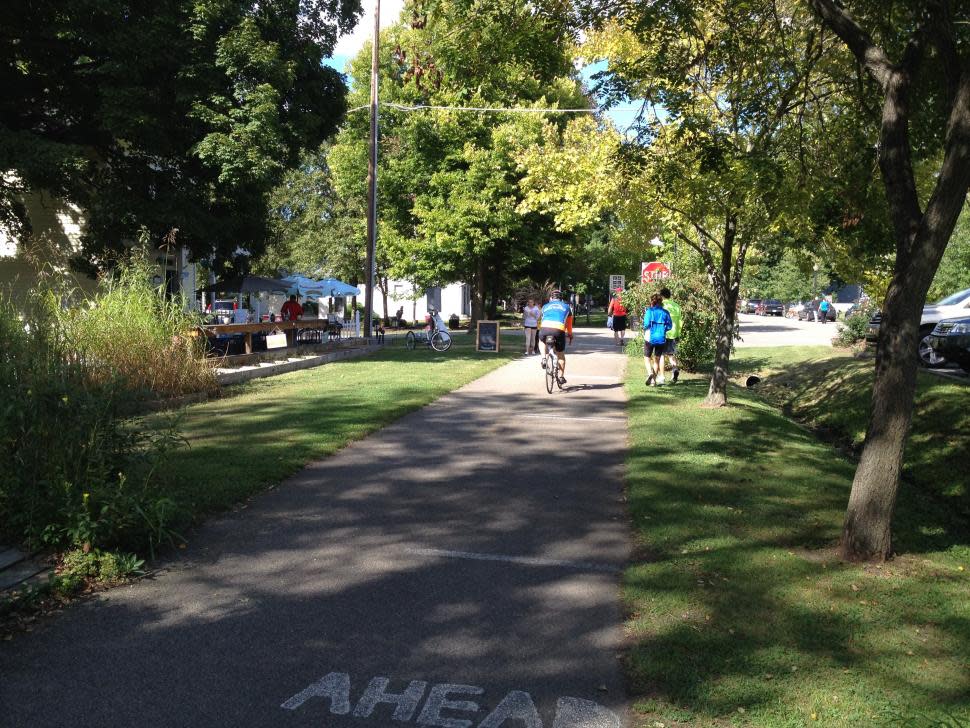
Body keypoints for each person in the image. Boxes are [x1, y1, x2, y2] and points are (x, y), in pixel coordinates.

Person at [537, 290, 574, 383]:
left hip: (544, 328)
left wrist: (539, 329)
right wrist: (570, 334)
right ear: (561, 298)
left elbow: (540, 319)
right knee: (560, 355)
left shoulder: (545, 306)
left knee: (541, 341)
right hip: (558, 329)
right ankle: (561, 377)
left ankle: (543, 358)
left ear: (551, 298)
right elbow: (569, 324)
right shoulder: (567, 307)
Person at [643, 292, 672, 386]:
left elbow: (646, 324)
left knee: (647, 357)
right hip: (661, 338)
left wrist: (645, 327)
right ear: (661, 302)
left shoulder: (650, 311)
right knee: (657, 359)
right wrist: (663, 329)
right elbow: (669, 326)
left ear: (652, 301)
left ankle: (649, 373)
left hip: (649, 337)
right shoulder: (665, 312)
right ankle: (653, 381)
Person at [660, 286, 682, 383]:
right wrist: (678, 333)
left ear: (662, 296)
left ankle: (662, 376)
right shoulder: (677, 306)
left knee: (661, 355)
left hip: (663, 333)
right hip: (674, 333)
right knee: (671, 355)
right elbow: (680, 321)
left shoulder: (661, 305)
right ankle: (675, 369)